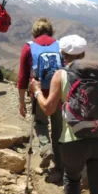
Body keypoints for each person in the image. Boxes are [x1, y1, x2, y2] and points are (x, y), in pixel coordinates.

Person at [29, 35, 98, 194]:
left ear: (63, 54)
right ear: (83, 53)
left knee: (73, 180)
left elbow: (48, 109)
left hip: (73, 140)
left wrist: (37, 91)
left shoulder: (60, 75)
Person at [18, 18, 63, 183]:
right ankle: (60, 165)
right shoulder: (59, 45)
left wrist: (22, 101)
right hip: (58, 94)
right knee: (59, 128)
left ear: (34, 31)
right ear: (51, 30)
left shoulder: (29, 47)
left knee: (40, 123)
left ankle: (45, 148)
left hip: (39, 94)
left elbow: (23, 77)